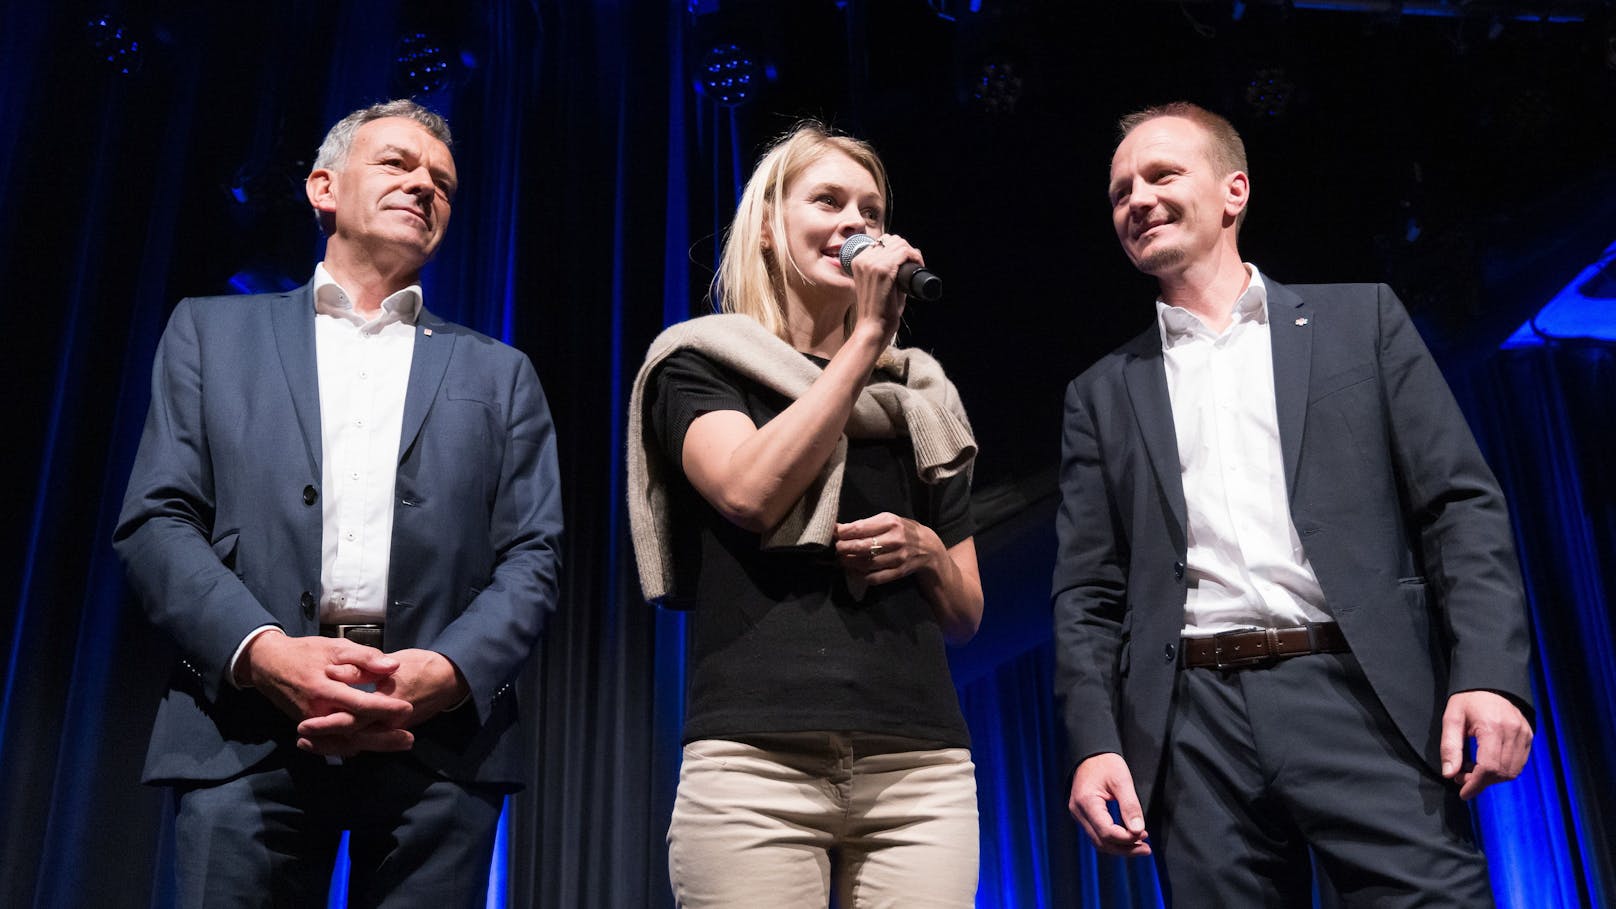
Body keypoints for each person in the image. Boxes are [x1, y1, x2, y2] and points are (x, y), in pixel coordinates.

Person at [1051, 101, 1534, 906]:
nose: (1137, 198)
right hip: (1193, 726)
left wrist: (1490, 674)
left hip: (1359, 691)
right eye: (1119, 191)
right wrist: (1095, 742)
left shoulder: (1360, 321)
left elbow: (1460, 507)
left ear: (1234, 191)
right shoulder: (1101, 392)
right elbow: (1087, 594)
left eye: (1162, 174)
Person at [114, 99, 562, 907]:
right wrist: (264, 651)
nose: (425, 186)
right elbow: (157, 519)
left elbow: (534, 556)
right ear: (323, 187)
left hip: (436, 748)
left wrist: (449, 670)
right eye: (398, 164)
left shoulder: (501, 373)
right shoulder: (211, 334)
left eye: (443, 183)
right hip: (243, 729)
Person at [626, 122, 983, 907]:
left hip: (918, 767)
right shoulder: (699, 362)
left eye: (871, 209)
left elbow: (966, 614)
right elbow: (749, 493)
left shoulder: (922, 394)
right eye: (828, 200)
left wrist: (927, 551)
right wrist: (864, 341)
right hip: (755, 761)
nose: (855, 223)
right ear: (767, 223)